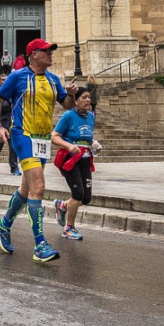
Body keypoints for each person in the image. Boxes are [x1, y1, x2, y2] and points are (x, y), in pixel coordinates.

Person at [0, 38, 77, 263]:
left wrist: (70, 94)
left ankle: (3, 225)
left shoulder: (53, 79)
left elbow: (66, 105)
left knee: (27, 189)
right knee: (38, 188)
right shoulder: (17, 77)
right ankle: (40, 245)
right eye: (46, 51)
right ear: (33, 55)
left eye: (51, 51)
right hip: (23, 135)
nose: (50, 54)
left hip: (43, 139)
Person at [52, 88, 102, 240]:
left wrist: (94, 144)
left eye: (88, 97)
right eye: (84, 97)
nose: (88, 100)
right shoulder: (68, 116)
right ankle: (69, 228)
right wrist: (68, 146)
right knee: (78, 194)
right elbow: (54, 136)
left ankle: (62, 205)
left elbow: (87, 137)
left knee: (86, 198)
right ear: (76, 101)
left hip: (84, 158)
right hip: (69, 159)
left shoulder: (91, 116)